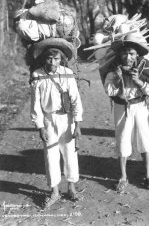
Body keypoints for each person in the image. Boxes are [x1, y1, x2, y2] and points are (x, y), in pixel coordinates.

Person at [104, 33, 149, 192]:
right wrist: (118, 78)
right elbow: (109, 90)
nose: (128, 57)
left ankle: (148, 175)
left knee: (144, 138)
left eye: (131, 53)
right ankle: (123, 177)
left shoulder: (144, 69)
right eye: (125, 53)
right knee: (122, 138)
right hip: (121, 107)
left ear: (137, 54)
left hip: (140, 106)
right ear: (120, 54)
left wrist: (138, 81)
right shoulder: (114, 70)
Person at [30, 38, 83, 208]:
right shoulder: (37, 75)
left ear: (62, 59)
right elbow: (36, 104)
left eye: (57, 59)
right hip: (48, 119)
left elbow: (76, 100)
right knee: (50, 155)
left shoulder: (67, 73)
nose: (53, 63)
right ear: (44, 59)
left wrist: (78, 124)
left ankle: (71, 187)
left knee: (70, 152)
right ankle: (54, 191)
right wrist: (40, 126)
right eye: (50, 59)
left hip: (67, 119)